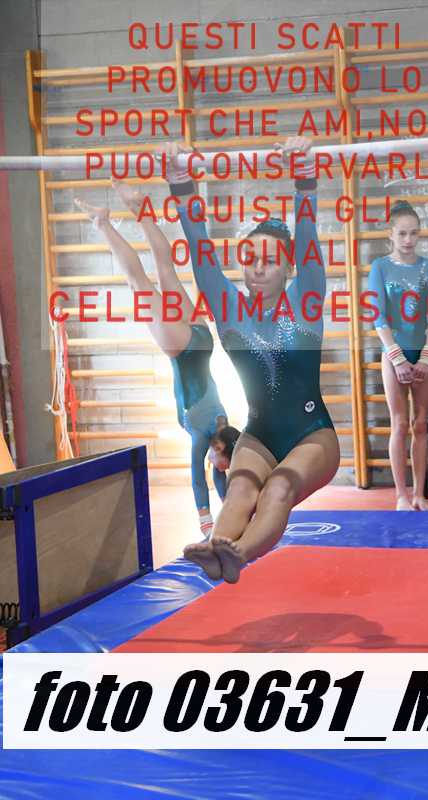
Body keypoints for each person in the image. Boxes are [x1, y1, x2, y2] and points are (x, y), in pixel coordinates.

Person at [162, 136, 340, 583]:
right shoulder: (230, 309)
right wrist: (181, 185)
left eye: (271, 260)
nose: (259, 267)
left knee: (278, 486)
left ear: (289, 267)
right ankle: (216, 549)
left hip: (313, 434)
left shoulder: (305, 301)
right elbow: (200, 252)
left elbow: (307, 238)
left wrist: (303, 178)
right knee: (240, 488)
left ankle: (238, 553)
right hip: (259, 434)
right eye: (251, 259)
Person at [74, 181, 238, 540]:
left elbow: (218, 477)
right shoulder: (203, 435)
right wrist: (207, 521)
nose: (220, 469)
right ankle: (103, 223)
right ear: (220, 449)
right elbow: (199, 477)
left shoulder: (224, 423)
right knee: (139, 284)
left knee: (166, 270)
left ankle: (140, 207)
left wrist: (231, 509)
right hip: (183, 349)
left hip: (202, 339)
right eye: (222, 463)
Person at [368, 200, 428, 511]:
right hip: (393, 353)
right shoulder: (380, 267)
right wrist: (397, 358)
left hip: (423, 353)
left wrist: (426, 357)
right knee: (399, 424)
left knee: (420, 424)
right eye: (402, 233)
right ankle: (401, 495)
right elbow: (378, 316)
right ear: (391, 234)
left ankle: (419, 495)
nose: (409, 240)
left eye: (414, 233)